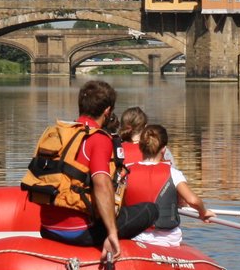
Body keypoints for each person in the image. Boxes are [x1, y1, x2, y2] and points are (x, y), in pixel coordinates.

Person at [20, 80, 157, 260]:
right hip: (80, 233)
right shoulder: (99, 139)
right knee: (150, 210)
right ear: (107, 111)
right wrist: (112, 233)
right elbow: (101, 184)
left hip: (47, 228)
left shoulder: (59, 133)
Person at [128, 124, 213, 247]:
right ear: (164, 149)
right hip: (167, 240)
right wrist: (203, 212)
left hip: (136, 237)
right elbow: (193, 200)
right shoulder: (173, 173)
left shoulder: (126, 172)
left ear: (140, 147)